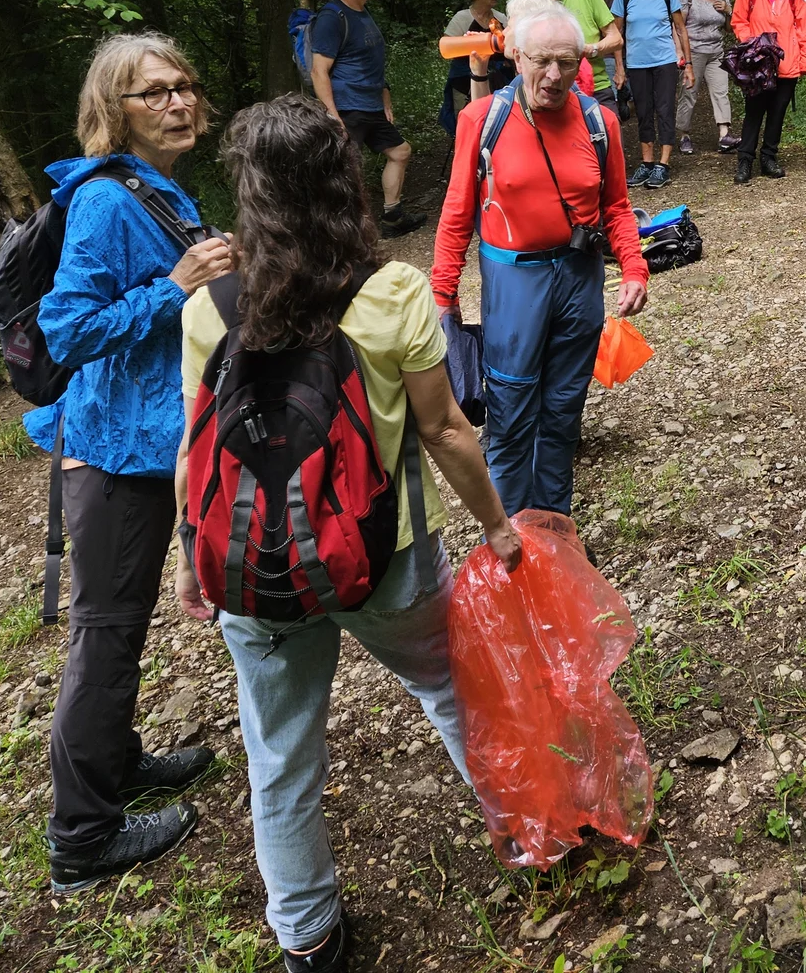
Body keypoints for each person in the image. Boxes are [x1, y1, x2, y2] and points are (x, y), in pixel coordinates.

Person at [174, 95, 523, 973]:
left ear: (249, 194)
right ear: (345, 182)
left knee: (280, 754)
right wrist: (498, 527)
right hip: (387, 558)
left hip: (253, 568)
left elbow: (194, 448)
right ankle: (525, 831)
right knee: (452, 692)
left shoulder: (208, 307)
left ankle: (308, 937)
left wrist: (192, 555)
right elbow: (445, 432)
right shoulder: (391, 292)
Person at [27, 32, 230, 894]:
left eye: (184, 86)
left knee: (124, 627)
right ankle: (82, 837)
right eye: (155, 92)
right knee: (104, 637)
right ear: (116, 110)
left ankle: (117, 764)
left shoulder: (162, 190)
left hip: (149, 445)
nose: (179, 102)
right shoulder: (108, 202)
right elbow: (66, 330)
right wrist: (176, 285)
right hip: (111, 453)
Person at [431, 0, 650, 515]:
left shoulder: (601, 123)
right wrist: (444, 292)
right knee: (509, 416)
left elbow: (617, 205)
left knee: (561, 414)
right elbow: (457, 211)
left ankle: (554, 532)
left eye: (567, 62)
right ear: (518, 59)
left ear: (581, 64)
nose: (554, 74)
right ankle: (512, 540)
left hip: (579, 278)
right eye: (542, 61)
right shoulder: (483, 119)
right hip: (513, 281)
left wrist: (634, 268)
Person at [308, 0, 423, 237]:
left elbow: (370, 60)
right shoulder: (332, 18)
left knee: (400, 151)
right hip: (348, 106)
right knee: (345, 171)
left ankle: (393, 217)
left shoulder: (362, 13)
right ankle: (340, 234)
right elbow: (318, 71)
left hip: (370, 105)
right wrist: (332, 115)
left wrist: (385, 96)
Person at [730, 0, 806, 183]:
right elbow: (738, 21)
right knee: (753, 112)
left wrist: (805, 57)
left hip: (786, 62)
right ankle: (745, 161)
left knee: (777, 113)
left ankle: (769, 158)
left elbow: (803, 25)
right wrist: (753, 44)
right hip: (758, 63)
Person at [612, 0, 690, 189]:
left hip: (665, 61)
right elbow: (616, 34)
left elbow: (681, 29)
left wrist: (687, 64)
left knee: (665, 110)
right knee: (643, 112)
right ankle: (647, 163)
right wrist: (619, 67)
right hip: (637, 63)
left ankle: (663, 164)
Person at [523, 0, 625, 112]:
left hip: (595, 86)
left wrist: (591, 49)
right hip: (547, 90)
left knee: (610, 133)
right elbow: (512, 49)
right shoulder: (527, 1)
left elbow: (616, 39)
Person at [676, 0, 737, 154]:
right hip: (693, 51)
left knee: (721, 91)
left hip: (716, 51)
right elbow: (679, 26)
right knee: (689, 93)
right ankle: (684, 134)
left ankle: (724, 134)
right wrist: (681, 54)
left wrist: (729, 11)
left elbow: (729, 29)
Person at [444, 0, 514, 105]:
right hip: (464, 83)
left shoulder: (501, 19)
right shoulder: (462, 18)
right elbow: (447, 46)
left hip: (499, 84)